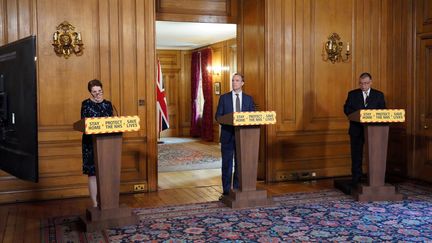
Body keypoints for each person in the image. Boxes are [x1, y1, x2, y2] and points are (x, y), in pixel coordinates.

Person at [215, 73, 255, 199]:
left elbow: (252, 116)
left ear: (242, 83)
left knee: (240, 164)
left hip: (243, 137)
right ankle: (226, 191)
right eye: (233, 80)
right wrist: (229, 120)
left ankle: (237, 188)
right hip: (227, 135)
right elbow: (218, 116)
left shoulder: (249, 99)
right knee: (227, 164)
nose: (234, 83)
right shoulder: (224, 98)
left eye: (237, 80)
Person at [343, 72, 386, 186]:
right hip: (356, 129)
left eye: (366, 83)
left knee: (375, 154)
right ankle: (356, 178)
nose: (363, 86)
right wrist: (357, 116)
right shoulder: (352, 94)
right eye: (361, 84)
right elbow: (347, 109)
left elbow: (383, 111)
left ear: (371, 82)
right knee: (356, 154)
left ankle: (375, 179)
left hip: (374, 131)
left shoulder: (379, 95)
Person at [81, 79, 113, 207]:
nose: (97, 93)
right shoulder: (85, 104)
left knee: (106, 172)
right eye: (94, 91)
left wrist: (102, 105)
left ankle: (106, 201)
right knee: (92, 173)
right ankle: (95, 203)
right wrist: (95, 104)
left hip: (106, 142)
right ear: (90, 92)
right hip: (90, 143)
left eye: (99, 91)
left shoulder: (108, 104)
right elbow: (84, 122)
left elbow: (110, 122)